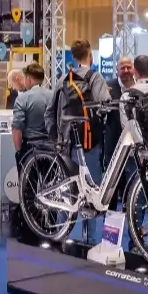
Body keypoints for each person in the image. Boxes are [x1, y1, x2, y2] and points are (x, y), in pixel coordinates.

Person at [45, 39, 111, 185]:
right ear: (90, 55)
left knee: (70, 185)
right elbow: (105, 106)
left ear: (74, 58)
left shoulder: (63, 79)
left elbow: (49, 112)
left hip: (65, 143)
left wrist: (55, 137)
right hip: (89, 142)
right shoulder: (95, 77)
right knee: (92, 186)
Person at [103, 55, 136, 171]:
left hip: (136, 146)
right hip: (114, 147)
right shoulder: (108, 87)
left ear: (134, 69)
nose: (126, 70)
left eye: (129, 67)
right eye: (122, 68)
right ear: (117, 70)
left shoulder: (140, 87)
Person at [11, 62, 53, 155]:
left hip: (30, 148)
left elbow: (17, 128)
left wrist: (19, 151)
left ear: (28, 79)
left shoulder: (22, 99)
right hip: (51, 147)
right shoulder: (53, 96)